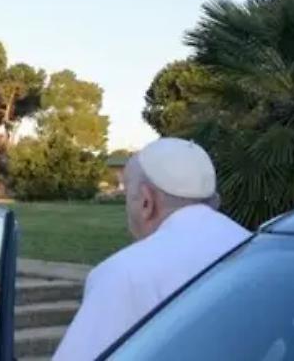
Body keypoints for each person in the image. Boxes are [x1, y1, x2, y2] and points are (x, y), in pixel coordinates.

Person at [51, 138, 250, 361]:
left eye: (128, 196)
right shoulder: (257, 250)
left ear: (146, 202)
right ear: (215, 200)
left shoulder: (123, 274)